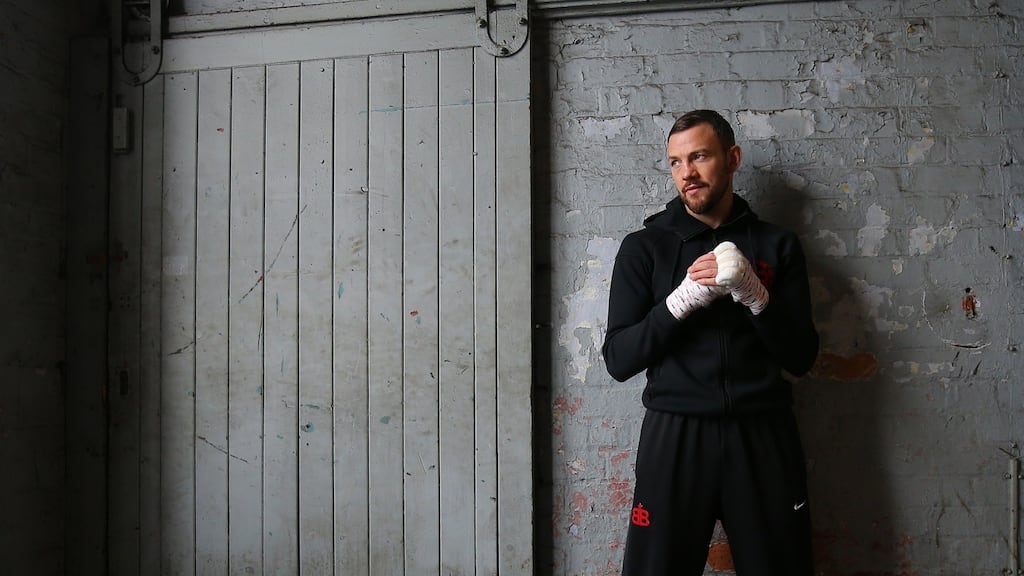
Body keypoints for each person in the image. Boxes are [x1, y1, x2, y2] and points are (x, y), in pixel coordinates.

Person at [602, 109, 819, 575]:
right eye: (676, 162)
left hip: (762, 433)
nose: (688, 173)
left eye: (699, 156)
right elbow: (619, 359)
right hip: (675, 433)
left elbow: (802, 357)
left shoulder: (776, 245)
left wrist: (755, 295)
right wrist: (679, 303)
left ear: (732, 158)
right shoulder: (645, 247)